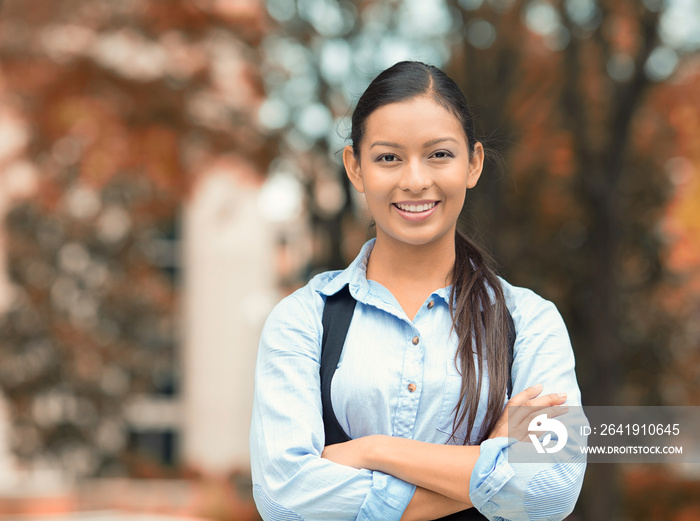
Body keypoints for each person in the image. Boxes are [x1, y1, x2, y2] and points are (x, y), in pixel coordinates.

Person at [250, 61, 586, 521]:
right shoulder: (302, 319)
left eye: (439, 155)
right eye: (388, 157)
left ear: (473, 164)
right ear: (355, 167)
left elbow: (552, 489)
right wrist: (491, 460)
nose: (414, 180)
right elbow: (285, 497)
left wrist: (373, 451)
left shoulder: (531, 321)